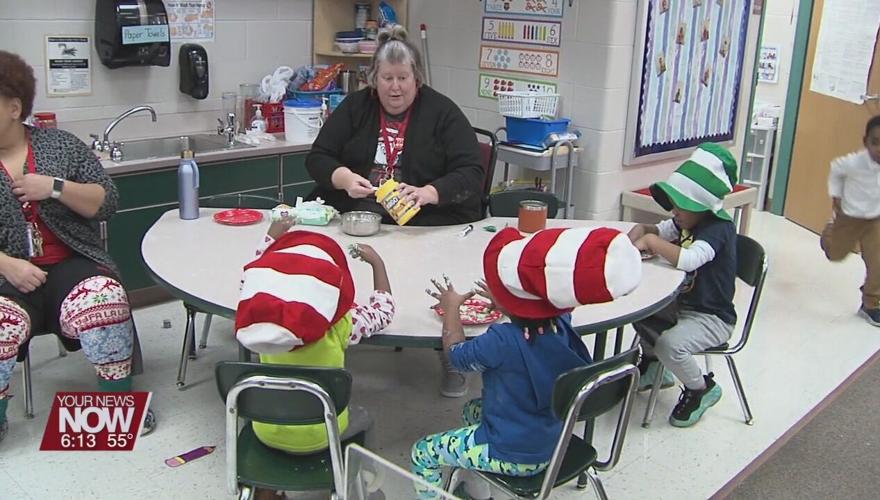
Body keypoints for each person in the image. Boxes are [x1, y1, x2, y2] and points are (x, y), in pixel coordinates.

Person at [410, 226, 641, 493]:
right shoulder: (561, 323)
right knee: (470, 410)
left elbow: (457, 357)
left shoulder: (502, 339)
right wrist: (508, 303)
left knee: (423, 452)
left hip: (515, 453)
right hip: (553, 437)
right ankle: (481, 487)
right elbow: (542, 313)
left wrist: (451, 309)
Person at [0, 50, 153, 443]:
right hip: (9, 275)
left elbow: (107, 202)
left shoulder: (60, 146)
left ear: (15, 107)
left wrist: (52, 187)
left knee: (105, 301)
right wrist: (6, 265)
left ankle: (117, 409)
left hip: (72, 264)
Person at [236, 222, 395, 500]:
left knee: (264, 405)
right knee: (366, 419)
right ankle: (362, 488)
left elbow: (250, 277)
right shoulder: (340, 324)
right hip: (323, 434)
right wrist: (377, 264)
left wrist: (271, 238)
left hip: (266, 429)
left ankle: (265, 491)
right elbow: (384, 310)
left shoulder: (259, 316)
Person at [306, 25, 485, 227]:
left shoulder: (443, 112)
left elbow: (472, 172)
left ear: (416, 78)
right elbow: (318, 157)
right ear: (374, 78)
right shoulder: (355, 106)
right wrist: (345, 179)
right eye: (387, 78)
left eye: (402, 78)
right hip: (355, 213)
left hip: (422, 220)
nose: (395, 87)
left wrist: (429, 192)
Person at [628, 143, 738, 427]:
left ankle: (701, 388)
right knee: (642, 311)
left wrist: (652, 242)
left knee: (670, 345)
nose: (675, 211)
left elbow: (690, 259)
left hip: (712, 316)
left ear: (701, 205)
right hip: (682, 306)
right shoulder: (687, 219)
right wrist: (643, 230)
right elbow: (662, 229)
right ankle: (655, 367)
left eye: (681, 206)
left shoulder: (717, 229)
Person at [820, 115, 880, 327]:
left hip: (875, 221)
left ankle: (871, 304)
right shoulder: (853, 163)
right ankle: (829, 233)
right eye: (874, 142)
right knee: (836, 254)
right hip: (849, 218)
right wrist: (836, 197)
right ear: (865, 141)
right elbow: (835, 170)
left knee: (876, 265)